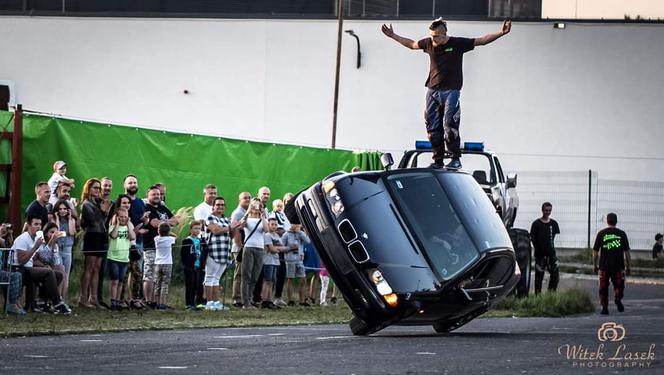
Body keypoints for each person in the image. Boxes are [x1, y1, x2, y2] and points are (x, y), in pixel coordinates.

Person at [381, 18, 512, 169]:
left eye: (436, 36)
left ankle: (455, 159)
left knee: (449, 124)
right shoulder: (428, 43)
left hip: (451, 91)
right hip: (432, 91)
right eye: (431, 35)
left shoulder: (457, 43)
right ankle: (438, 161)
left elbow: (481, 41)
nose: (433, 39)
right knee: (432, 128)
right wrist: (393, 35)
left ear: (444, 35)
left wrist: (501, 33)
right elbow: (411, 45)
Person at [10, 214, 71, 314]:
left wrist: (42, 264)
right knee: (48, 272)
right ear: (29, 225)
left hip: (29, 267)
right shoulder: (23, 239)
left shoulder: (35, 238)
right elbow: (21, 261)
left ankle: (42, 302)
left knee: (58, 275)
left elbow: (36, 258)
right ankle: (57, 303)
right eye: (36, 224)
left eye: (40, 224)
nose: (39, 227)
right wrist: (35, 247)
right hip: (18, 269)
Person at [143, 184, 179, 309]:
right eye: (154, 194)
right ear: (148, 196)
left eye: (159, 194)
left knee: (159, 278)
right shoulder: (147, 208)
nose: (157, 196)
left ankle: (159, 302)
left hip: (164, 251)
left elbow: (176, 220)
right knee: (149, 274)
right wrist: (167, 224)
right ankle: (149, 301)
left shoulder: (163, 208)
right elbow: (154, 223)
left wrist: (164, 223)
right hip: (151, 246)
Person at [79, 178, 110, 309]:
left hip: (102, 236)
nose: (98, 190)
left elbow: (103, 220)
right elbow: (92, 220)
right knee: (89, 268)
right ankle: (83, 298)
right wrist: (103, 211)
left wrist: (104, 211)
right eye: (95, 188)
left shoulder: (98, 202)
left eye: (99, 188)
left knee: (97, 268)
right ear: (88, 189)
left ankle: (94, 298)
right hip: (92, 237)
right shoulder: (86, 204)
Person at [204, 197, 239, 311]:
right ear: (213, 206)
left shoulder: (226, 220)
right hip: (213, 252)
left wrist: (235, 227)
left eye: (223, 205)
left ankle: (216, 302)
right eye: (218, 204)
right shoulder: (210, 217)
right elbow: (216, 230)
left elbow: (231, 235)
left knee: (216, 278)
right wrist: (230, 227)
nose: (221, 207)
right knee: (209, 277)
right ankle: (209, 302)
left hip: (224, 252)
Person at [593, 212, 631, 315]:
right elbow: (627, 251)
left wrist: (595, 265)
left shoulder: (601, 234)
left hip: (604, 266)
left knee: (603, 287)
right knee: (619, 285)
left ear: (607, 221)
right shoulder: (622, 234)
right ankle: (618, 298)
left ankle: (605, 307)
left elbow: (595, 251)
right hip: (618, 266)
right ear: (616, 221)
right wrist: (628, 266)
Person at [123, 175, 148, 307]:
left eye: (134, 182)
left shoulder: (140, 202)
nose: (133, 185)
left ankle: (135, 299)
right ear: (125, 186)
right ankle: (121, 300)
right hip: (125, 242)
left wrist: (145, 221)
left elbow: (141, 221)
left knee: (137, 272)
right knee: (125, 271)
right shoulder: (122, 201)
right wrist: (136, 230)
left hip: (139, 241)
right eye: (130, 183)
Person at [240, 198, 269, 309]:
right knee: (246, 275)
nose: (256, 207)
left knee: (255, 276)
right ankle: (245, 302)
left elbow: (266, 230)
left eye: (258, 205)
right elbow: (241, 226)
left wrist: (262, 216)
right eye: (254, 205)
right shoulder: (247, 218)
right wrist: (248, 212)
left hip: (259, 248)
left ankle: (250, 298)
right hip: (249, 248)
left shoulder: (263, 219)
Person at [107, 207, 135, 311]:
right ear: (117, 217)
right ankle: (113, 301)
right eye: (121, 217)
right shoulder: (112, 227)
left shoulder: (129, 228)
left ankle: (118, 301)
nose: (123, 219)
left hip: (124, 259)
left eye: (125, 217)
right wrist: (117, 224)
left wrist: (128, 225)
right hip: (113, 258)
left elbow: (132, 237)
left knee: (120, 282)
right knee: (114, 281)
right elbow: (113, 236)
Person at [529, 202, 560, 294]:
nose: (547, 212)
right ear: (542, 210)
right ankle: (538, 296)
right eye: (546, 210)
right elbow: (533, 238)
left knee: (555, 275)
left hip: (551, 254)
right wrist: (538, 248)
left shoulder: (553, 223)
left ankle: (551, 293)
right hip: (540, 255)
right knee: (539, 276)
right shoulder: (536, 224)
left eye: (549, 210)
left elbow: (553, 236)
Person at [51, 199, 77, 303]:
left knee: (66, 275)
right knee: (59, 274)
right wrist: (57, 218)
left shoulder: (71, 220)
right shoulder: (53, 219)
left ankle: (64, 300)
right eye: (60, 209)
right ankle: (57, 300)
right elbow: (56, 233)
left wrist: (70, 218)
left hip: (67, 249)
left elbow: (71, 232)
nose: (62, 211)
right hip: (57, 249)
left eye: (65, 209)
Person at [281, 223, 311, 306]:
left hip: (299, 260)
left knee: (303, 279)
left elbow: (308, 241)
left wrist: (301, 232)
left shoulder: (300, 234)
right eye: (295, 225)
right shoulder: (286, 234)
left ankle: (302, 301)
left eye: (299, 225)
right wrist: (290, 248)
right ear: (291, 225)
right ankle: (290, 300)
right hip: (290, 259)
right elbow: (281, 247)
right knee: (291, 279)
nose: (297, 226)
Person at [230, 192, 251, 307]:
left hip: (247, 247)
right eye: (245, 198)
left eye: (249, 198)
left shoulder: (249, 212)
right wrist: (240, 246)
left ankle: (244, 297)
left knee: (246, 273)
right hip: (239, 247)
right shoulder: (238, 213)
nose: (247, 200)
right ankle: (236, 298)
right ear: (239, 200)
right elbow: (236, 230)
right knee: (239, 274)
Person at [261, 218, 286, 309]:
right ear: (268, 225)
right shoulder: (267, 235)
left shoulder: (277, 236)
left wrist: (277, 249)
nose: (274, 226)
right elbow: (271, 249)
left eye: (276, 225)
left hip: (276, 261)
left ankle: (270, 299)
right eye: (272, 224)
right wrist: (277, 249)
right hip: (268, 261)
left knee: (272, 281)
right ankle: (264, 300)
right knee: (267, 280)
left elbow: (283, 248)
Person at [97, 176, 114, 309]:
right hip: (94, 239)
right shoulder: (94, 202)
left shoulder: (113, 203)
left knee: (102, 270)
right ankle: (90, 297)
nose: (107, 188)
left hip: (106, 239)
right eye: (105, 185)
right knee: (93, 270)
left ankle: (99, 297)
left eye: (109, 186)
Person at [181, 220, 205, 310]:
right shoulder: (187, 241)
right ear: (191, 229)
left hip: (198, 266)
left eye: (199, 228)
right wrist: (187, 265)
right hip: (190, 267)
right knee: (190, 285)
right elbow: (184, 254)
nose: (197, 230)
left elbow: (203, 253)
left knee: (197, 284)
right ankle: (188, 303)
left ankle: (195, 302)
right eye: (195, 228)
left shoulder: (200, 240)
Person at [154, 222, 176, 310]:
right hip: (167, 263)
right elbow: (176, 237)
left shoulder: (156, 239)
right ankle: (163, 303)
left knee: (157, 283)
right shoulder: (170, 239)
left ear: (158, 231)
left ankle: (156, 302)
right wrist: (170, 232)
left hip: (157, 263)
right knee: (165, 283)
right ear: (168, 231)